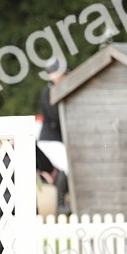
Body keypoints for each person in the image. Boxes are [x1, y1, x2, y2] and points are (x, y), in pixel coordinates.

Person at [38, 55, 71, 215]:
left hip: (56, 140)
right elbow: (56, 117)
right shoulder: (48, 92)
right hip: (50, 140)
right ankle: (60, 205)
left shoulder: (58, 89)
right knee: (67, 165)